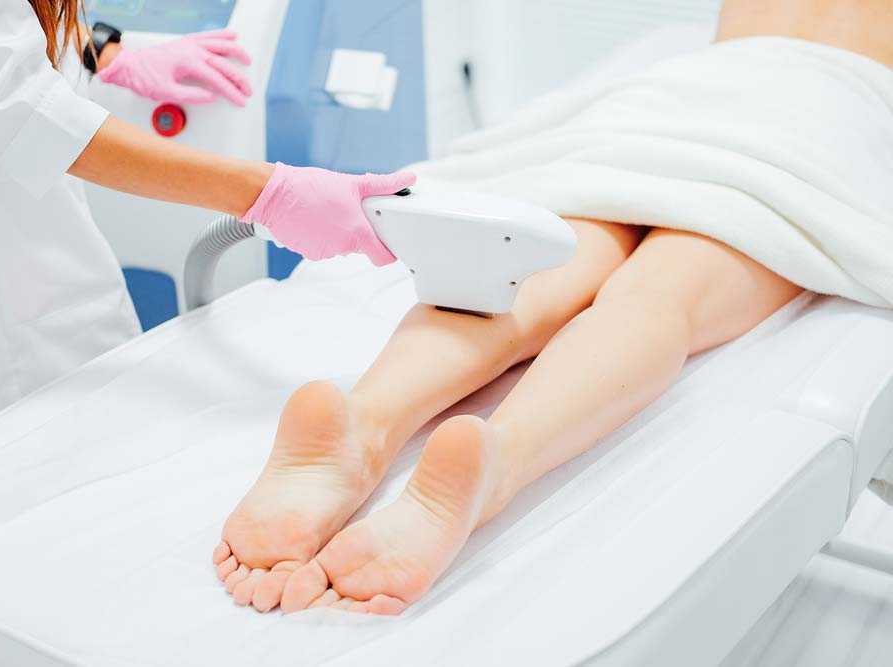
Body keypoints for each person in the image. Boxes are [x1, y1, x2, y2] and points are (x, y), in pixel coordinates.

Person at [211, 0, 893, 614]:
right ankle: (497, 460)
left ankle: (365, 421)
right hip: (828, 114)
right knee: (659, 296)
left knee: (534, 264)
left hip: (674, 100)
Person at [0, 0, 414, 440]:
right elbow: (19, 107)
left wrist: (103, 50)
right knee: (44, 451)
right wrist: (268, 194)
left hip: (19, 248)